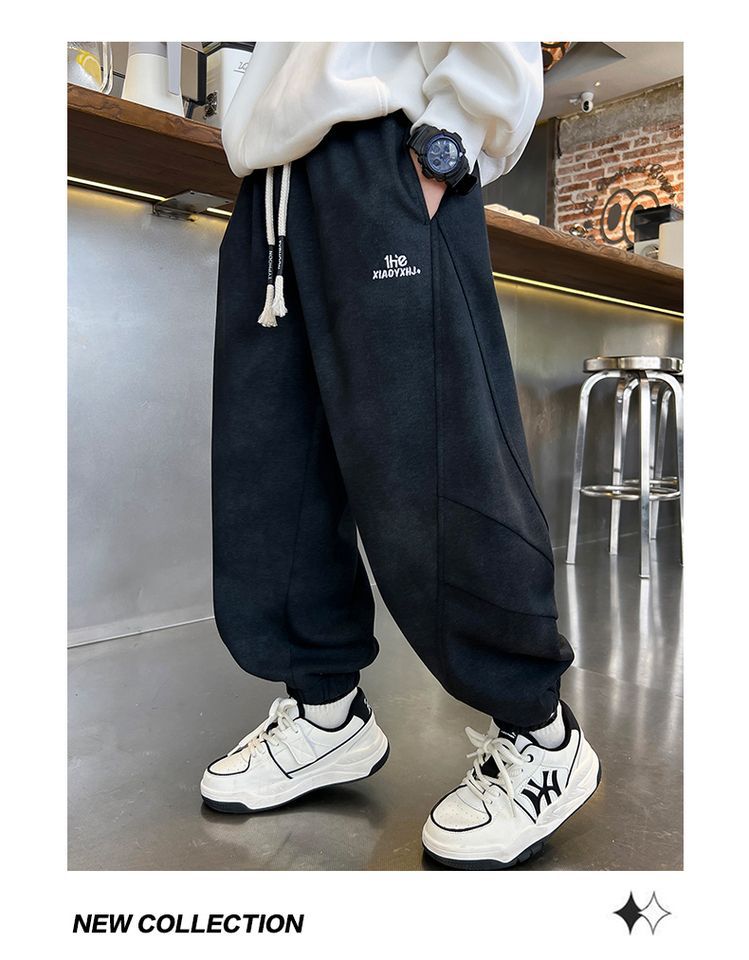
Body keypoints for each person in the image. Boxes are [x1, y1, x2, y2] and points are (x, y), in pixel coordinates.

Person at [201, 42, 601, 870]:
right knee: (272, 471)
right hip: (271, 189)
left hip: (385, 159)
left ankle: (541, 735)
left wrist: (443, 144)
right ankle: (325, 715)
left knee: (432, 468)